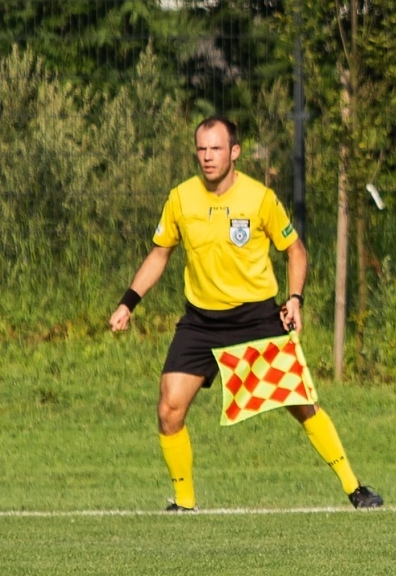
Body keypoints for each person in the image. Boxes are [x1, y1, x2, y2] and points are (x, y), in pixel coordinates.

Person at [108, 116, 382, 511]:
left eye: (216, 149)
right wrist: (127, 303)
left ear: (234, 152)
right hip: (201, 321)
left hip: (256, 318)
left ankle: (355, 488)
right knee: (169, 407)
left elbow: (296, 250)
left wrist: (295, 298)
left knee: (301, 402)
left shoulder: (259, 198)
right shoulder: (181, 198)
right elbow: (160, 253)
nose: (207, 157)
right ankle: (184, 503)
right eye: (201, 149)